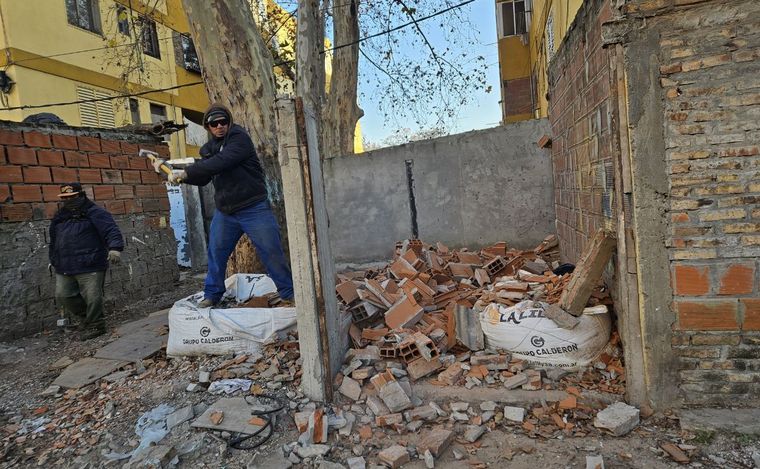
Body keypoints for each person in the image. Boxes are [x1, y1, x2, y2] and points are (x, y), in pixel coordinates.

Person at [174, 103, 294, 307]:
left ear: (229, 123)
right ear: (208, 127)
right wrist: (180, 178)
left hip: (253, 207)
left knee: (271, 251)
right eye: (214, 123)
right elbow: (204, 177)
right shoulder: (208, 149)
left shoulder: (239, 139)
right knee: (216, 253)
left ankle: (289, 293)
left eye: (224, 121)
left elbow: (223, 161)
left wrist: (188, 171)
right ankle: (212, 294)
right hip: (226, 212)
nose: (220, 126)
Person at [49, 183, 124, 340]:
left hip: (91, 263)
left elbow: (111, 230)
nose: (69, 200)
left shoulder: (95, 212)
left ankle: (97, 325)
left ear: (81, 195)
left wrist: (115, 248)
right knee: (64, 295)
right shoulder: (60, 216)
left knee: (92, 297)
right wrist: (53, 258)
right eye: (65, 198)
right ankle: (86, 320)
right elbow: (54, 240)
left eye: (72, 197)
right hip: (65, 265)